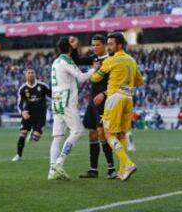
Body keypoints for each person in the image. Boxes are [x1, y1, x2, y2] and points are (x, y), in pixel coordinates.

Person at [91, 32, 145, 181]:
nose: (108, 47)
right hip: (128, 98)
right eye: (107, 44)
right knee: (121, 133)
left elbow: (95, 77)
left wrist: (96, 69)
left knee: (108, 134)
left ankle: (127, 163)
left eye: (111, 44)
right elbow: (140, 81)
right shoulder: (132, 61)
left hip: (114, 98)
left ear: (119, 45)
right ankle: (123, 171)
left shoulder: (111, 60)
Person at [48, 36, 99, 180]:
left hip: (57, 101)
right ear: (69, 47)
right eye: (72, 41)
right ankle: (59, 162)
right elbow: (81, 77)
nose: (76, 41)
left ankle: (52, 171)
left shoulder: (56, 61)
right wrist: (93, 69)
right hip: (66, 101)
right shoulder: (66, 60)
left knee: (58, 136)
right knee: (78, 131)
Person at [79, 34, 116, 179]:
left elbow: (116, 83)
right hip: (92, 102)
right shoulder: (93, 59)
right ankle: (93, 170)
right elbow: (76, 60)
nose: (95, 48)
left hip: (105, 102)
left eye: (98, 45)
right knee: (92, 133)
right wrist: (73, 47)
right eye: (93, 45)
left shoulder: (111, 60)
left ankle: (111, 168)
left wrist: (104, 94)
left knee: (102, 133)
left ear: (105, 45)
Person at [12, 68, 51, 162]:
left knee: (36, 138)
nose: (30, 74)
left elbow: (53, 96)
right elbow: (19, 104)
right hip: (28, 114)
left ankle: (34, 131)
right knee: (22, 134)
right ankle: (18, 155)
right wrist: (22, 112)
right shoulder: (22, 89)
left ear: (35, 74)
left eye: (32, 72)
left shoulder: (42, 86)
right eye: (28, 73)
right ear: (26, 75)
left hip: (40, 114)